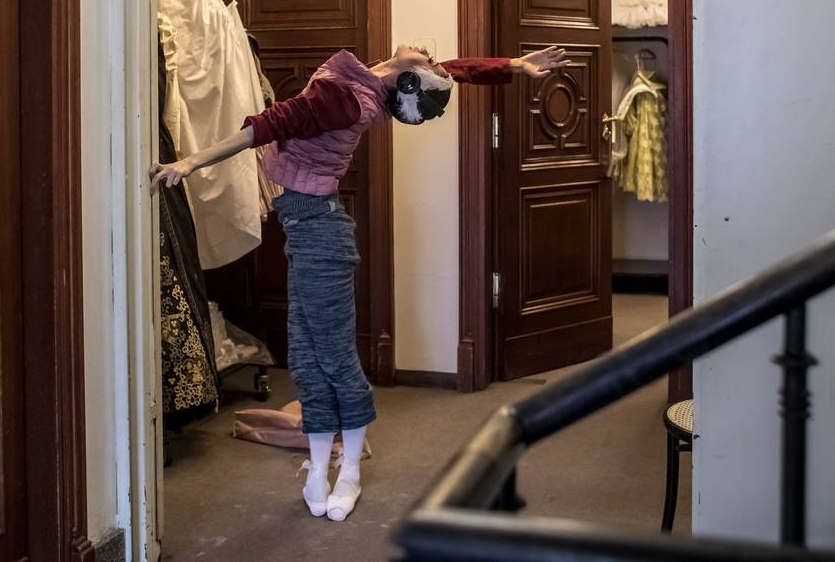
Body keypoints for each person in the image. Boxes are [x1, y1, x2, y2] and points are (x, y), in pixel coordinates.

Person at [149, 43, 569, 521]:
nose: (432, 55)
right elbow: (454, 70)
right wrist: (514, 65)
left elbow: (262, 128)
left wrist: (188, 163)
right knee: (306, 357)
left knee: (335, 357)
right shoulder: (380, 78)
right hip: (305, 228)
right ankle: (317, 470)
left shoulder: (350, 100)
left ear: (407, 81)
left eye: (426, 64)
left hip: (321, 235)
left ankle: (348, 471)